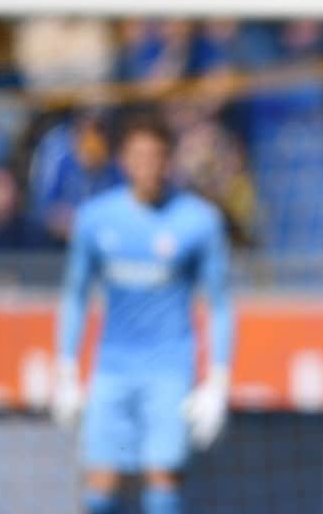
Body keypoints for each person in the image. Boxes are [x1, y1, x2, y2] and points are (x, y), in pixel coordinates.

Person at [50, 115, 235, 514]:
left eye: (156, 157)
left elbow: (218, 303)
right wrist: (65, 370)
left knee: (162, 478)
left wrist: (218, 381)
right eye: (139, 156)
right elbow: (75, 295)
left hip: (169, 370)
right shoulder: (96, 219)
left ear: (169, 161)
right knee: (100, 485)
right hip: (112, 368)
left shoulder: (198, 221)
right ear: (123, 161)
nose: (148, 166)